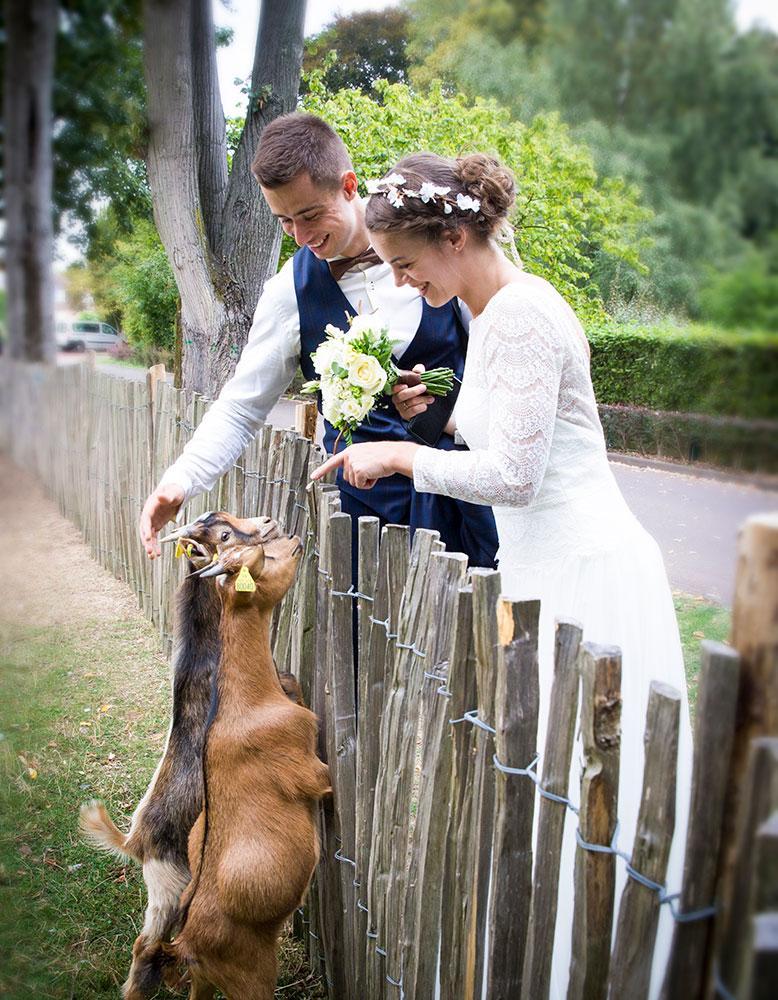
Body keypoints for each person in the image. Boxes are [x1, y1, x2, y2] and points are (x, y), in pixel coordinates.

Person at [312, 151, 692, 999]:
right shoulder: (494, 312)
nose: (405, 286)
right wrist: (422, 421)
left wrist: (403, 455)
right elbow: (503, 448)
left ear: (454, 235)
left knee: (596, 793)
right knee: (562, 792)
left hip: (585, 573)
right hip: (543, 567)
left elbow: (515, 477)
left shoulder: (519, 313)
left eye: (408, 264)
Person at [138, 113, 498, 575]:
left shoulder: (436, 244)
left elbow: (501, 362)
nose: (302, 237)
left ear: (349, 186)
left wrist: (452, 416)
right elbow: (241, 407)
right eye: (285, 221)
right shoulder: (289, 292)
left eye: (309, 215)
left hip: (461, 499)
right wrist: (180, 481)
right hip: (365, 515)